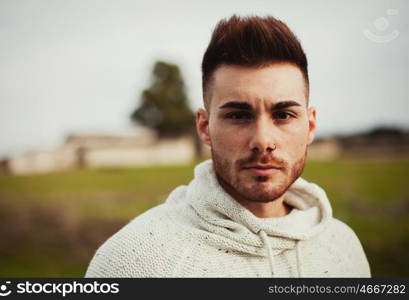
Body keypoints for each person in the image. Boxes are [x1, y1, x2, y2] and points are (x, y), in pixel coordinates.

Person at [85, 15, 371, 278]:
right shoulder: (131, 263)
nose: (262, 141)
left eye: (283, 115)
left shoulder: (343, 247)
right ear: (204, 127)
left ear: (309, 126)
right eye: (238, 115)